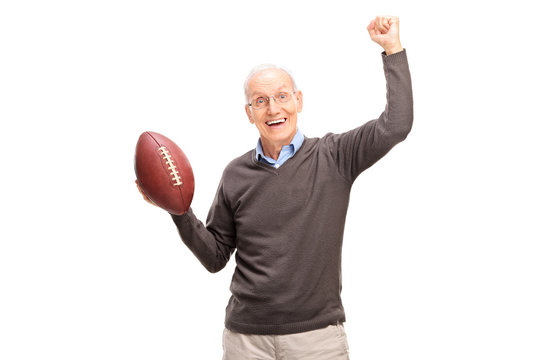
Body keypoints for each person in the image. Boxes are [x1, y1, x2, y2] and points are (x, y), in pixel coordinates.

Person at [137, 15, 413, 360]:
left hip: (317, 340)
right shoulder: (235, 174)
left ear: (298, 100)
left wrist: (392, 49)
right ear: (249, 112)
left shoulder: (336, 156)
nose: (273, 108)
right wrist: (177, 210)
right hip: (245, 340)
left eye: (282, 96)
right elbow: (215, 257)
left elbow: (396, 126)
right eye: (261, 100)